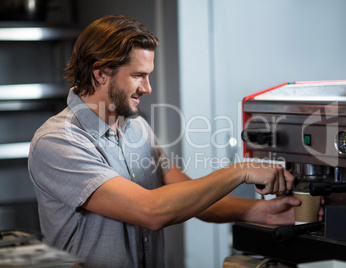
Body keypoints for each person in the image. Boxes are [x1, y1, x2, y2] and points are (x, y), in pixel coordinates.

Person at [28, 15, 323, 268]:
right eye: (138, 76)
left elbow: (190, 197)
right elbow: (150, 210)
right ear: (101, 73)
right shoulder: (58, 140)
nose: (147, 87)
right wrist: (240, 170)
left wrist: (260, 211)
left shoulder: (136, 128)